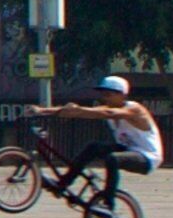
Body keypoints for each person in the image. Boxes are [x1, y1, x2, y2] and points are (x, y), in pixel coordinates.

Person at [35, 74, 162, 208]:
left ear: (123, 95)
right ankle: (62, 184)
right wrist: (42, 110)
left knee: (113, 159)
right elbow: (79, 112)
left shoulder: (135, 109)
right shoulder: (107, 108)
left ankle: (109, 202)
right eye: (103, 94)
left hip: (147, 157)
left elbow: (109, 113)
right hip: (128, 149)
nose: (105, 98)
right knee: (93, 147)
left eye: (109, 94)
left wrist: (80, 109)